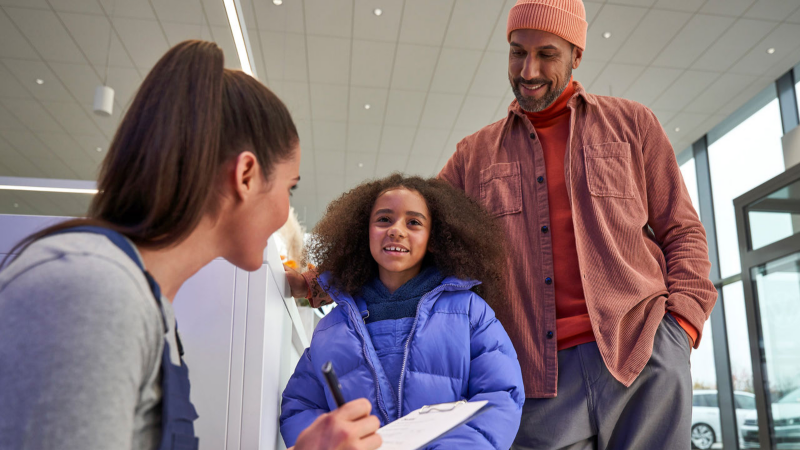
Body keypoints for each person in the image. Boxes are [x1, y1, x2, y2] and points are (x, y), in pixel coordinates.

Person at [0, 40, 380, 450]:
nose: (287, 208)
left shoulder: (139, 303)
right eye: (290, 187)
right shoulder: (92, 293)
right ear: (246, 175)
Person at [436, 0, 718, 448]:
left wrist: (680, 329)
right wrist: (324, 278)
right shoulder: (473, 155)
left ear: (576, 56)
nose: (528, 70)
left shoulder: (633, 125)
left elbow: (682, 231)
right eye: (516, 51)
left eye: (546, 54)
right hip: (532, 379)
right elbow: (414, 233)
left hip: (641, 357)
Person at [280, 174, 525, 449]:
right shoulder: (331, 328)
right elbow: (300, 406)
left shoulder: (471, 314)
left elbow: (500, 395)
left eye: (414, 222)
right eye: (384, 219)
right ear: (364, 234)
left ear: (435, 239)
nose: (396, 229)